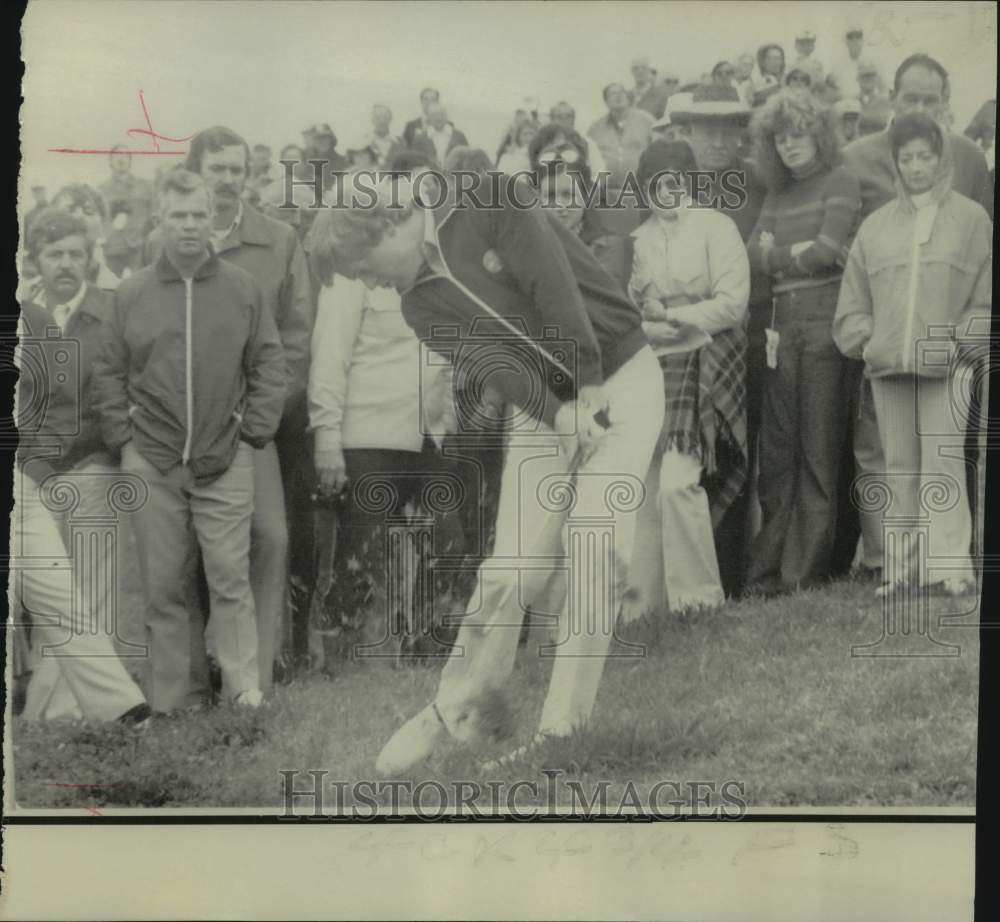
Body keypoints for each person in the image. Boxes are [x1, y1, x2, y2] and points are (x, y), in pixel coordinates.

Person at [306, 171, 662, 773]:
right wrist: (559, 413)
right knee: (510, 573)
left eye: (364, 266)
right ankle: (458, 714)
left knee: (595, 552)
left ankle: (562, 731)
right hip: (552, 411)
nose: (371, 283)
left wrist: (590, 383)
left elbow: (553, 284)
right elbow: (501, 369)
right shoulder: (418, 306)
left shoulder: (487, 199)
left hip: (620, 378)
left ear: (386, 224)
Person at [93, 168, 286, 712]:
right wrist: (125, 441)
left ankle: (243, 690)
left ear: (213, 220)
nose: (189, 226)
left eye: (199, 215)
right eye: (178, 215)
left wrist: (253, 432)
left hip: (225, 457)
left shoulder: (242, 289)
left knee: (230, 579)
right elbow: (108, 372)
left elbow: (269, 362)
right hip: (151, 460)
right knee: (164, 585)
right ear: (159, 220)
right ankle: (173, 699)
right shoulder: (131, 293)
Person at [147, 126, 315, 694]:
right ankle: (193, 677)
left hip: (248, 431)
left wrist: (256, 419)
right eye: (216, 168)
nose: (227, 180)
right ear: (194, 171)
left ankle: (256, 675)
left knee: (270, 538)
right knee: (181, 552)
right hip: (179, 432)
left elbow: (295, 340)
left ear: (248, 174)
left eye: (236, 169)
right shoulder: (163, 240)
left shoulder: (278, 240)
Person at [837, 53, 994, 581]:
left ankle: (949, 566)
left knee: (944, 460)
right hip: (889, 367)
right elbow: (854, 296)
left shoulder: (971, 220)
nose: (917, 167)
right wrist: (867, 341)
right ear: (896, 163)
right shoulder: (877, 227)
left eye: (927, 157)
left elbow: (984, 293)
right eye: (908, 159)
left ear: (942, 158)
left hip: (947, 363)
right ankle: (902, 571)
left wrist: (961, 343)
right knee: (898, 467)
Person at [13, 209, 151, 724]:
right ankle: (48, 698)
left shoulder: (110, 310)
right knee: (46, 582)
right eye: (55, 255)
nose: (66, 264)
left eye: (75, 253)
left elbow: (112, 395)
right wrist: (37, 468)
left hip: (94, 458)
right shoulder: (26, 315)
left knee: (83, 581)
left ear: (89, 258)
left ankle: (65, 707)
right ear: (35, 261)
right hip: (35, 467)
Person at [624, 140, 750, 617]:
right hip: (653, 366)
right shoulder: (638, 242)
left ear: (690, 181)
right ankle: (643, 609)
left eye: (674, 180)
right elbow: (632, 311)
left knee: (678, 484)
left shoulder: (718, 227)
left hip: (709, 364)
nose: (665, 192)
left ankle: (699, 600)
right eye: (655, 183)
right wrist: (656, 323)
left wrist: (676, 317)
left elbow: (732, 304)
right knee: (644, 484)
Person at [745, 91, 861, 595]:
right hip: (780, 322)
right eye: (781, 138)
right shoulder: (778, 192)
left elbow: (829, 250)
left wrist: (781, 253)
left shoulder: (840, 179)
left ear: (819, 134)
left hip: (822, 322)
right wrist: (793, 254)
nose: (790, 147)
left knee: (817, 452)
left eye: (798, 135)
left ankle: (802, 574)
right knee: (778, 454)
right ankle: (765, 574)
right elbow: (753, 254)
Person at [668, 84, 769, 597]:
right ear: (687, 131)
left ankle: (732, 572)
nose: (716, 139)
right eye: (705, 128)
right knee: (689, 459)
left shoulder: (758, 183)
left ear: (739, 132)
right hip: (683, 347)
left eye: (727, 128)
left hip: (744, 342)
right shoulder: (674, 187)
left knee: (736, 451)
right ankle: (691, 578)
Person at [529, 124, 628, 287]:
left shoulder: (607, 246)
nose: (560, 206)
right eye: (550, 196)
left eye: (569, 195)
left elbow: (604, 304)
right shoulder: (529, 243)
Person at [52, 183, 125, 290]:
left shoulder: (119, 292)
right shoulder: (31, 293)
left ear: (103, 224)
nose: (79, 216)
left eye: (88, 211)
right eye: (70, 210)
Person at [98, 144, 156, 278]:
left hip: (138, 247)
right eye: (116, 156)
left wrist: (146, 237)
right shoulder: (101, 190)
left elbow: (154, 215)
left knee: (140, 285)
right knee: (109, 287)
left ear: (130, 160)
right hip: (112, 248)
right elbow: (99, 220)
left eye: (124, 156)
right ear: (110, 161)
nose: (120, 160)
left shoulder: (145, 186)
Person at [586, 82, 655, 191]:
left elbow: (659, 152)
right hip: (608, 192)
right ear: (606, 101)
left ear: (628, 98)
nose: (618, 96)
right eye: (613, 94)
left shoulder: (647, 121)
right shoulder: (595, 129)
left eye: (622, 92)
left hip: (641, 190)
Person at [303, 123, 350, 191]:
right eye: (317, 138)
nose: (321, 142)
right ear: (313, 141)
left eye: (324, 138)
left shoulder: (343, 162)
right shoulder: (305, 163)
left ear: (331, 139)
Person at [630, 54, 670, 119]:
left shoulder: (661, 95)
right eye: (636, 68)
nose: (640, 71)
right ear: (631, 71)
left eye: (643, 67)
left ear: (649, 70)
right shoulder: (626, 96)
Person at [750, 43, 786, 108]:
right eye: (769, 58)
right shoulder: (755, 83)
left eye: (778, 58)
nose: (774, 62)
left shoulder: (789, 80)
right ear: (762, 62)